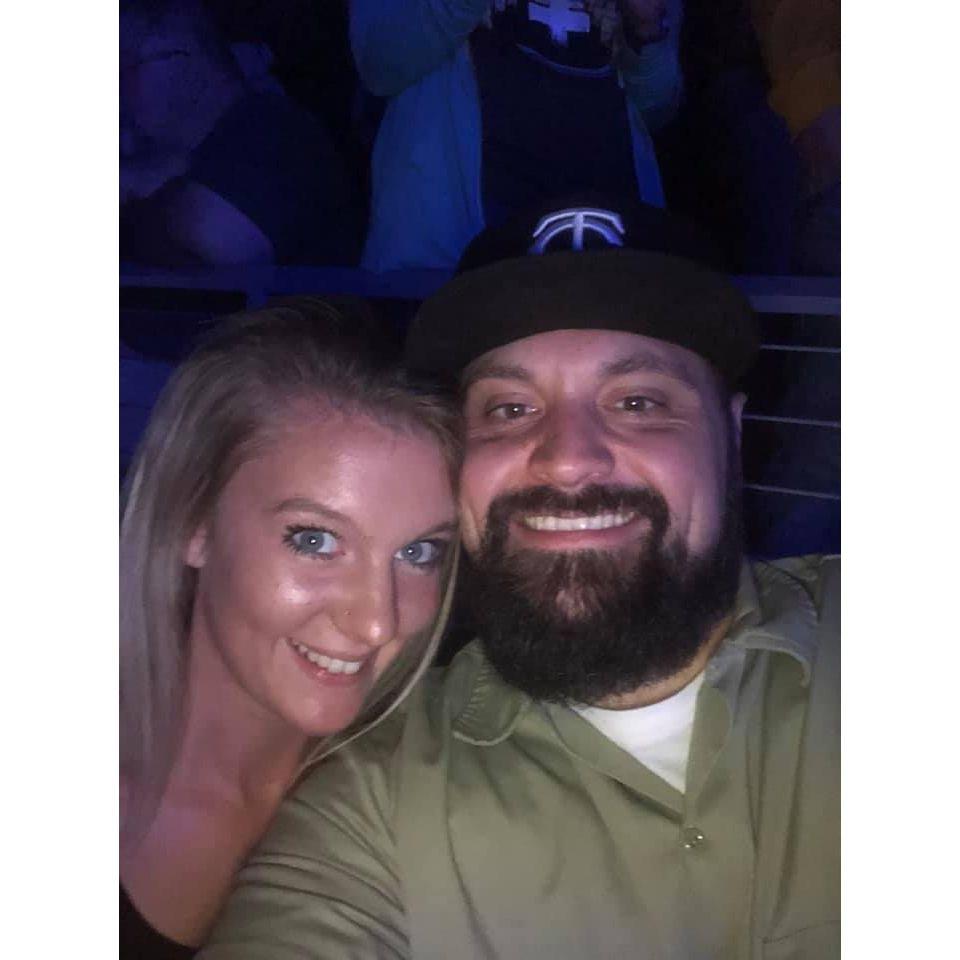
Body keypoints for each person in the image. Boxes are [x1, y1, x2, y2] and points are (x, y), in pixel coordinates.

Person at [200, 204, 839, 958]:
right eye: (510, 408)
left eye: (638, 403)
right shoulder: (372, 803)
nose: (566, 460)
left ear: (730, 431)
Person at [119, 298, 460, 957]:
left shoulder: (417, 805)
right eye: (315, 540)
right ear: (193, 522)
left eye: (419, 553)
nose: (376, 621)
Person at [352, 0, 685, 272]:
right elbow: (378, 60)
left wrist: (645, 31)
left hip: (611, 257)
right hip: (448, 261)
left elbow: (654, 109)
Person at [120, 0, 362, 266]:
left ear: (187, 61)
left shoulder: (273, 130)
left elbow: (214, 242)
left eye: (126, 66)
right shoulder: (216, 147)